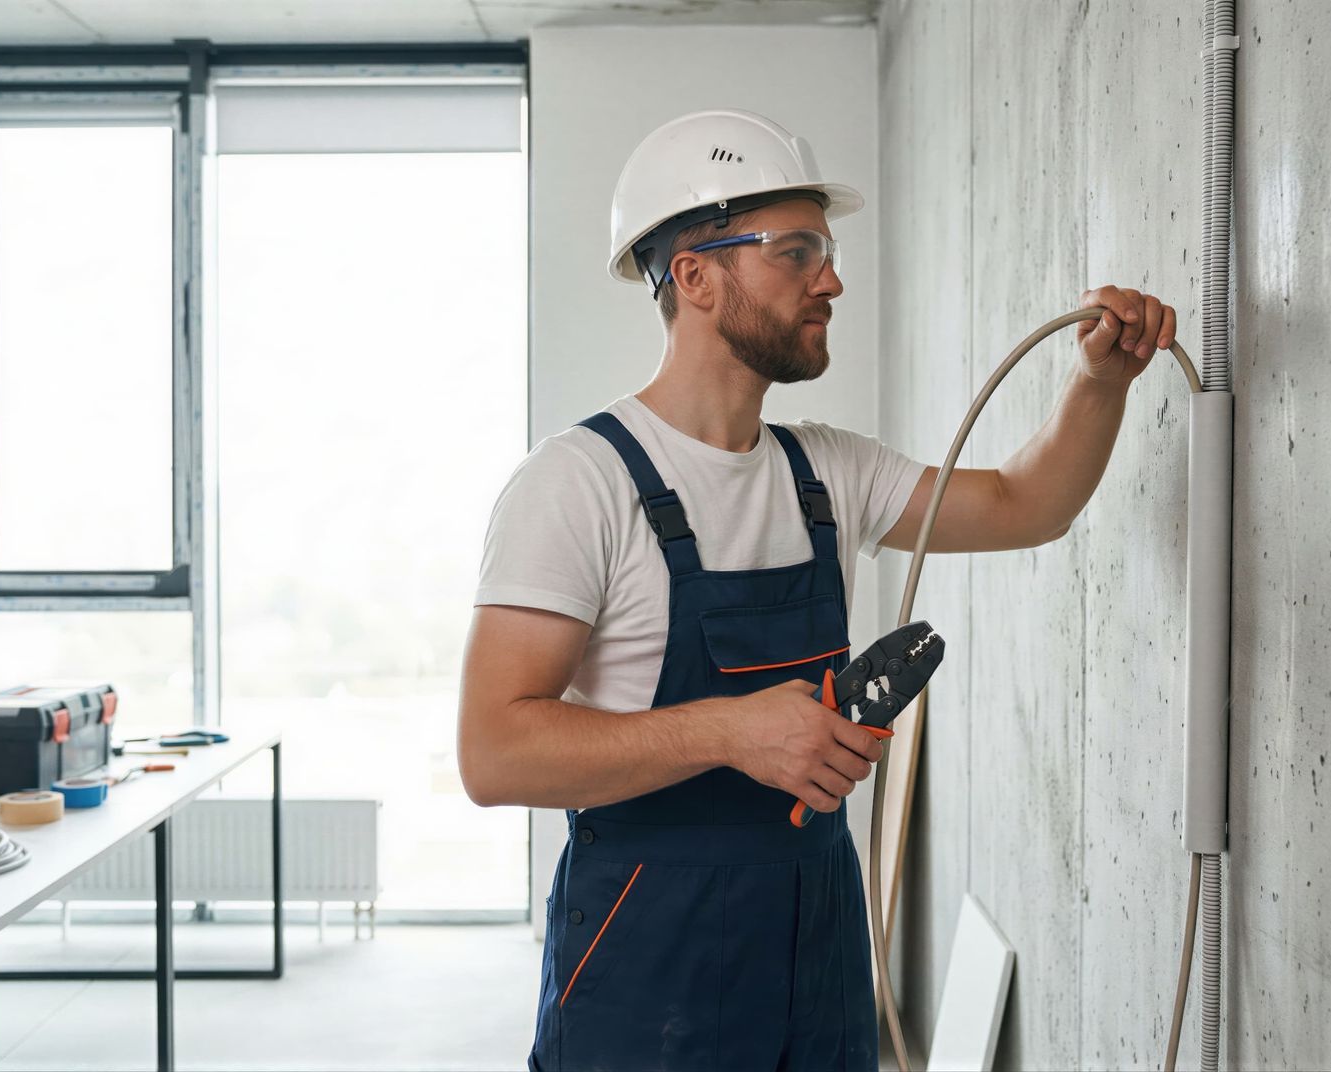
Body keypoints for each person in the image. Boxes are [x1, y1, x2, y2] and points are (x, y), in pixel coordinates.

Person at [458, 109, 1177, 1071]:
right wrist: (729, 731)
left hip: (818, 940)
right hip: (649, 956)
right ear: (695, 273)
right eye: (796, 252)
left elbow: (1023, 505)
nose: (830, 280)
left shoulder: (826, 473)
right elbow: (493, 753)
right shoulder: (579, 483)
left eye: (826, 251)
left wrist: (1101, 384)